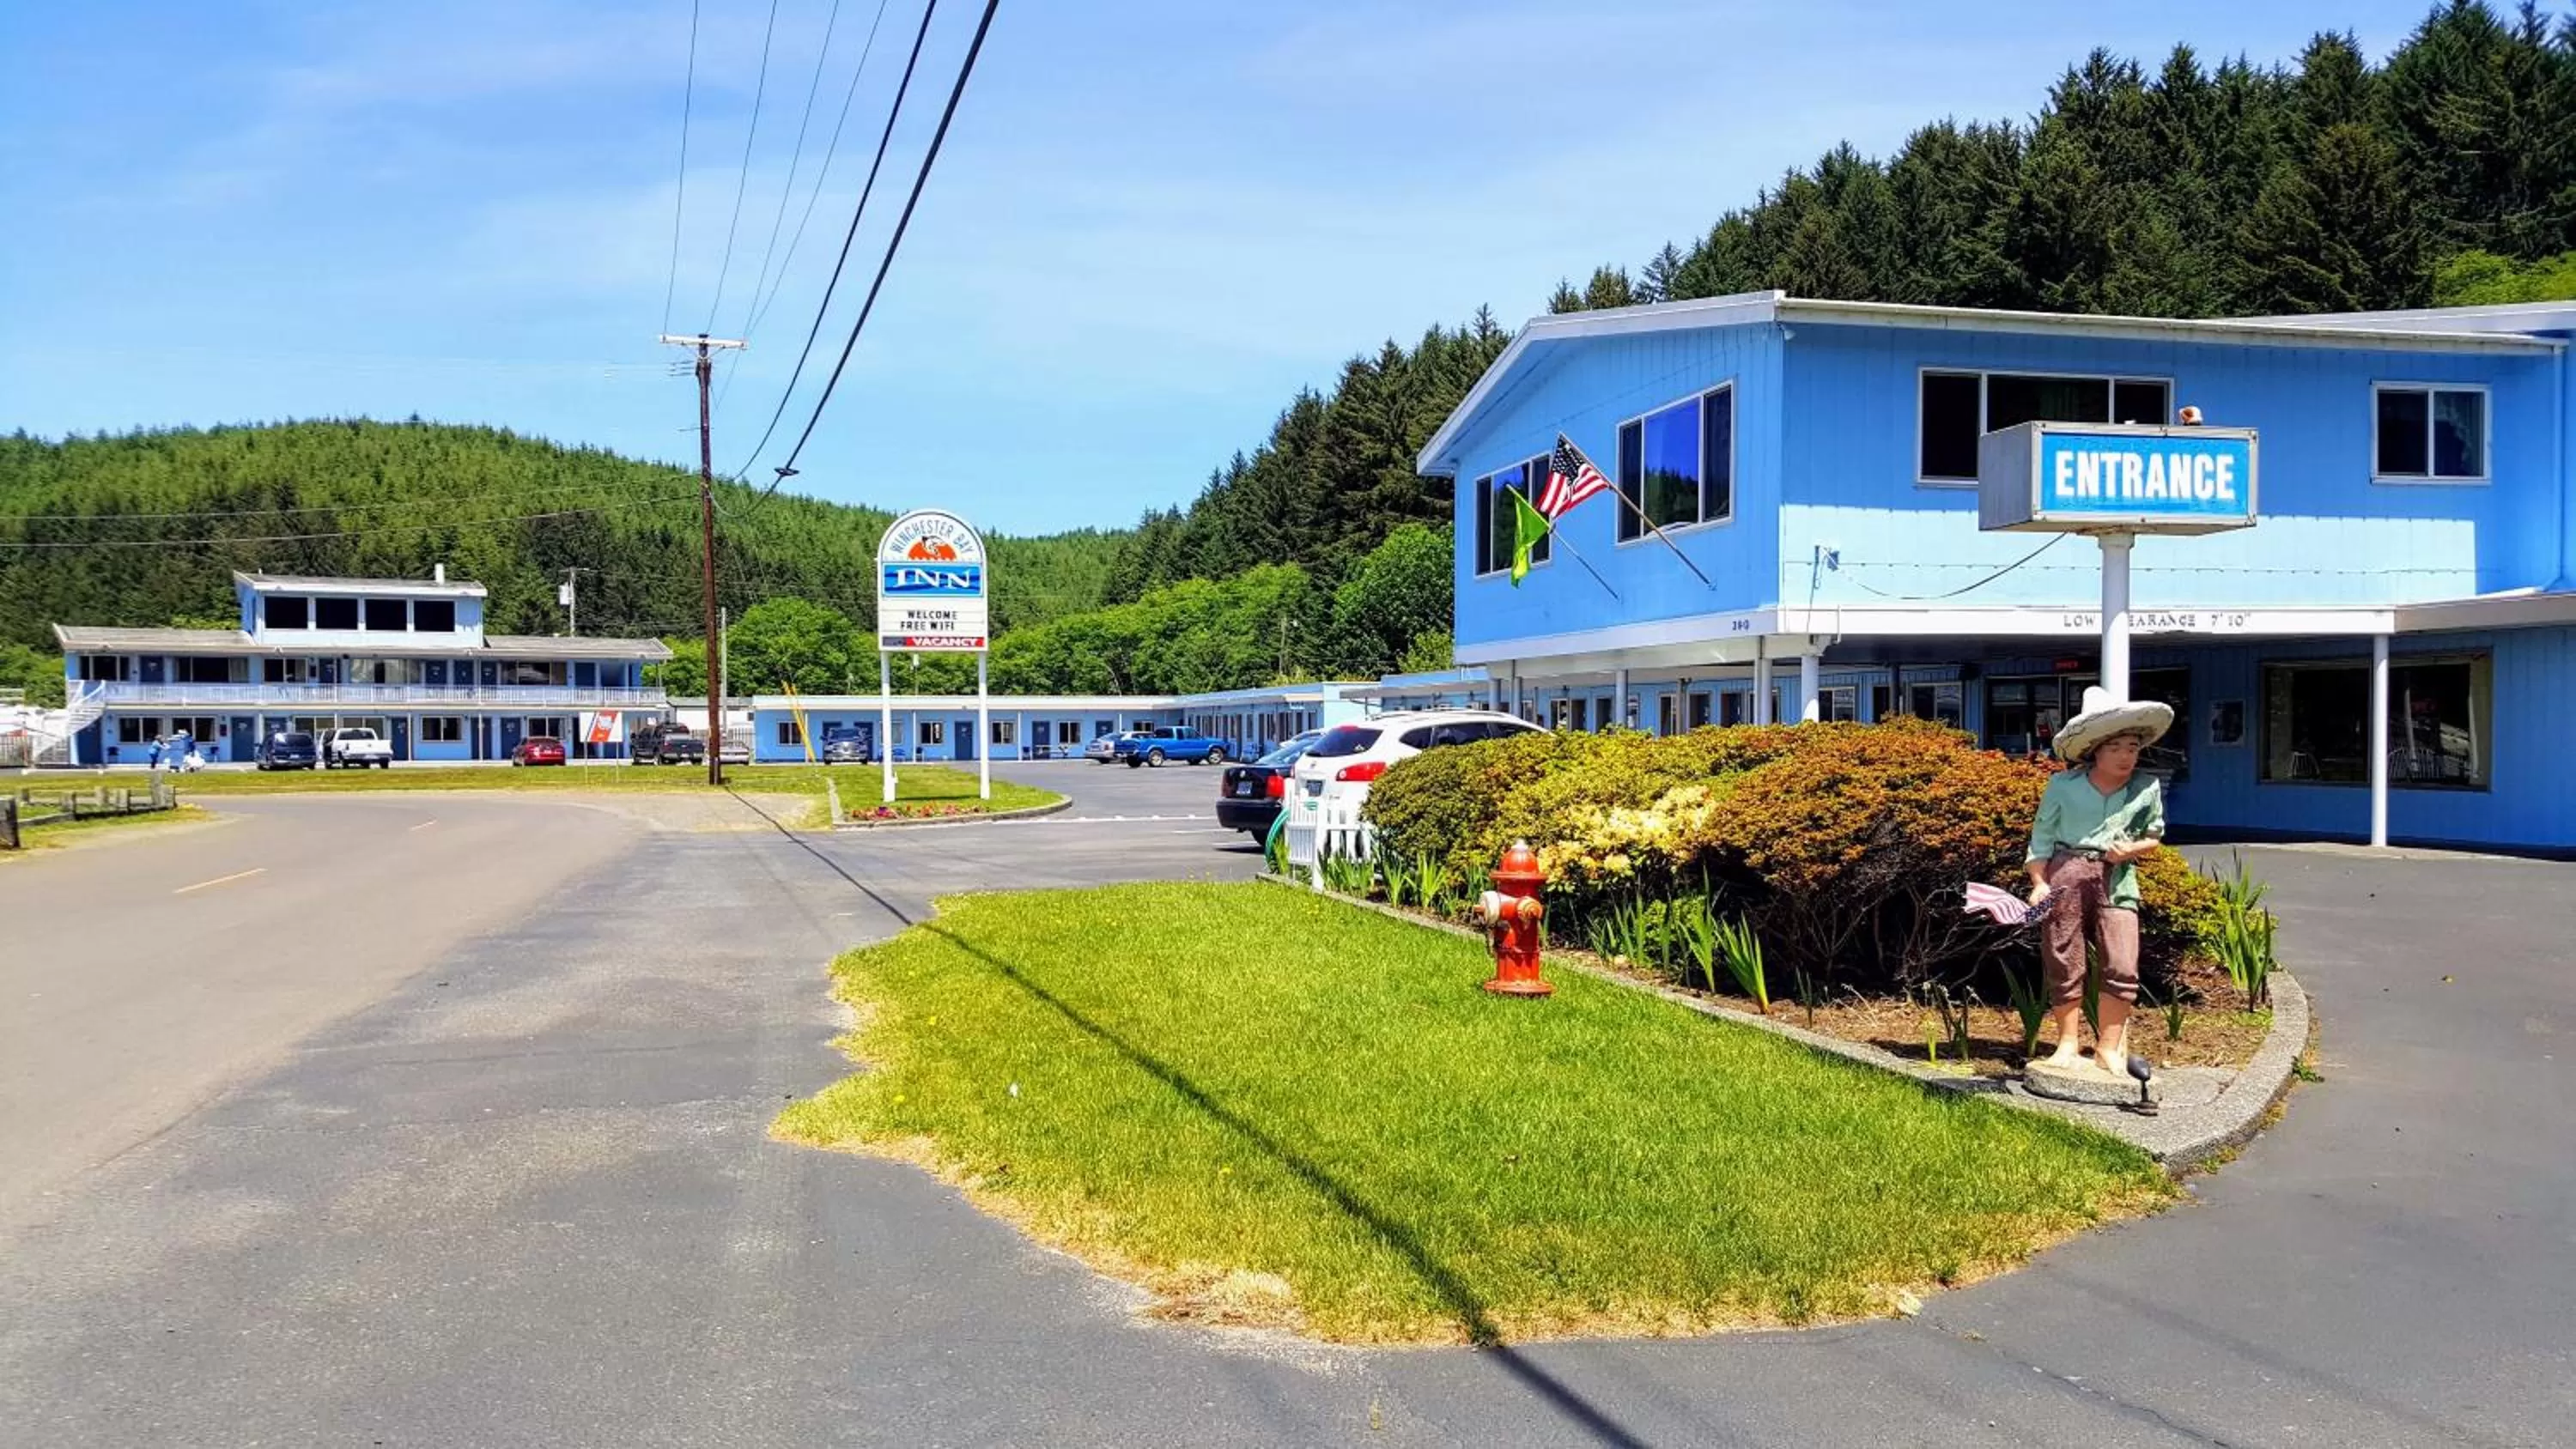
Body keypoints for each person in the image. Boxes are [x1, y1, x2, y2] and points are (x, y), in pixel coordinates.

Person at [2024, 685, 2174, 1081]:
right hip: (2067, 870)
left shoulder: (2146, 787)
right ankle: (2067, 1043)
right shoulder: (2063, 786)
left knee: (2123, 960)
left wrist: (2132, 851)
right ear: (2096, 750)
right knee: (2063, 956)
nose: (2126, 756)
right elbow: (2041, 837)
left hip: (2118, 878)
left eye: (2132, 747)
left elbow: (2155, 835)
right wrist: (2039, 881)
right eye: (2116, 748)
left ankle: (2108, 1047)